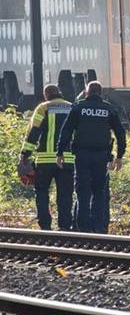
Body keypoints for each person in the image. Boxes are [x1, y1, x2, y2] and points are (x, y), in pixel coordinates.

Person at [56, 81, 125, 234]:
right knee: (99, 192)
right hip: (102, 156)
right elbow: (120, 133)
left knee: (82, 192)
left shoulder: (78, 107)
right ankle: (98, 227)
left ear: (87, 92)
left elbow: (66, 130)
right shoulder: (109, 109)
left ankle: (83, 227)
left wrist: (60, 152)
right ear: (101, 93)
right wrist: (119, 156)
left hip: (82, 155)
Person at [20, 84, 75, 231]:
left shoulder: (43, 108)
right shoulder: (72, 107)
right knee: (65, 194)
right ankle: (65, 226)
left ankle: (45, 225)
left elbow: (34, 132)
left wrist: (25, 154)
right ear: (59, 92)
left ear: (46, 95)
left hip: (45, 161)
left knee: (42, 191)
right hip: (67, 160)